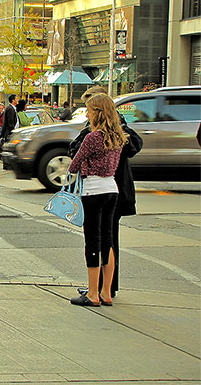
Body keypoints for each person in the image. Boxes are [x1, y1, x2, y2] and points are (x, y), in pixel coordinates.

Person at [70, 87, 143, 298]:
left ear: (98, 109)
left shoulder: (94, 135)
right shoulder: (120, 133)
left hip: (96, 189)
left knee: (94, 239)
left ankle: (95, 291)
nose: (86, 113)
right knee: (109, 240)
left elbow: (75, 159)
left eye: (89, 108)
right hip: (115, 189)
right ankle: (107, 290)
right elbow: (132, 146)